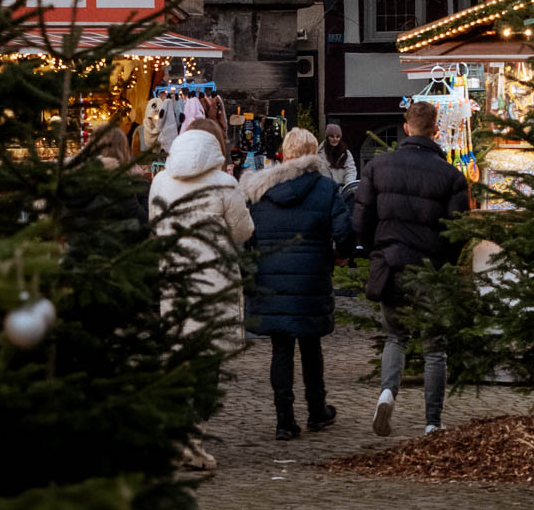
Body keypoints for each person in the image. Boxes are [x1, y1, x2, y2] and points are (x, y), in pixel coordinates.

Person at [352, 100, 470, 438]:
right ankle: (432, 422)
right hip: (429, 268)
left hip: (391, 263)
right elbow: (457, 230)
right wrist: (443, 261)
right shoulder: (451, 176)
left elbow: (361, 219)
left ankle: (387, 392)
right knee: (435, 347)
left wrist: (379, 248)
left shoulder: (377, 167)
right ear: (436, 130)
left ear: (406, 127)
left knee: (396, 335)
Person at [148, 127, 254, 470]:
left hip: (174, 284)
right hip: (213, 285)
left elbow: (155, 225)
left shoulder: (161, 181)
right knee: (208, 370)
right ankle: (193, 442)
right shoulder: (224, 183)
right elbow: (243, 231)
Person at [243, 126, 355, 441]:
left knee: (280, 348)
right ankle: (317, 411)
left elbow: (246, 236)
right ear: (312, 154)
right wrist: (342, 256)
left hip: (270, 277)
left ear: (285, 153)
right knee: (310, 344)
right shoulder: (325, 188)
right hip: (311, 275)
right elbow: (344, 230)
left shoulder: (260, 190)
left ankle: (284, 419)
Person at [318, 123, 357, 188]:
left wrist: (348, 183)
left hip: (342, 190)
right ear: (327, 137)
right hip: (325, 190)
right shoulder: (319, 154)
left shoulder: (346, 153)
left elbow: (351, 169)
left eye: (338, 136)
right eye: (332, 136)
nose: (335, 139)